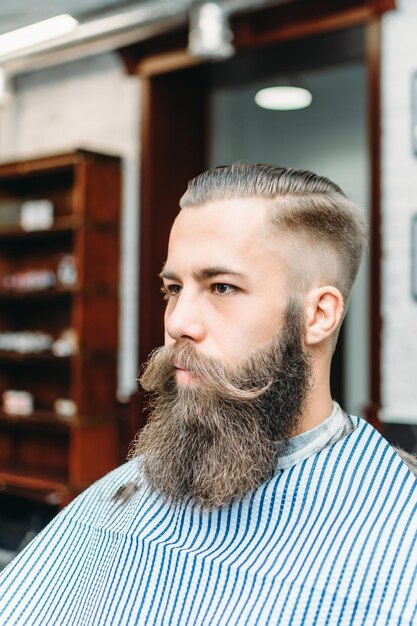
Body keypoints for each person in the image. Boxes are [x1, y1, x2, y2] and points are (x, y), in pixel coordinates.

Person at [0, 163, 416, 625]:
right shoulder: (127, 487)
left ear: (318, 315)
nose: (177, 322)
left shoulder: (399, 532)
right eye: (173, 288)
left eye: (222, 287)